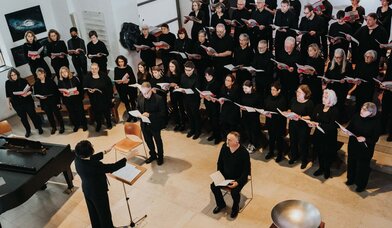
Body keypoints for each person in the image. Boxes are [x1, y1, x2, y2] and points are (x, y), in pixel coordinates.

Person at [74, 140, 126, 228]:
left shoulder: (77, 159)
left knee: (93, 213)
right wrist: (126, 159)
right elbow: (111, 167)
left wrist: (105, 151)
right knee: (104, 214)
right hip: (98, 192)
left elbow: (89, 158)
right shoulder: (94, 166)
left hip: (87, 190)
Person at [210, 131, 251, 219]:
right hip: (225, 176)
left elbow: (246, 171)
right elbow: (219, 163)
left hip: (238, 178)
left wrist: (238, 182)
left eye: (229, 140)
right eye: (227, 139)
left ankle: (235, 208)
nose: (226, 141)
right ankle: (221, 204)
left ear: (236, 142)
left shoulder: (244, 153)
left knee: (235, 192)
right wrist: (219, 175)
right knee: (213, 186)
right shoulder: (224, 147)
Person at [346, 102, 380, 192]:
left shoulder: (376, 122)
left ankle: (361, 184)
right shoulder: (356, 116)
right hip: (353, 144)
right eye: (362, 108)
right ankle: (350, 179)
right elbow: (350, 127)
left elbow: (375, 139)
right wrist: (346, 130)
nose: (362, 111)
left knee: (363, 167)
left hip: (365, 148)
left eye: (365, 110)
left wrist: (365, 139)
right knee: (351, 162)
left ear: (371, 112)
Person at [309, 89, 339, 179]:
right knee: (319, 152)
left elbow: (333, 126)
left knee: (327, 154)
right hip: (318, 134)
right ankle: (321, 168)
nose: (323, 98)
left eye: (326, 97)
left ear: (331, 99)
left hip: (329, 136)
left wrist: (320, 124)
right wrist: (311, 122)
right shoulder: (319, 106)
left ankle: (327, 170)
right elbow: (313, 117)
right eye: (323, 96)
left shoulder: (335, 110)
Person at [5, 68, 43, 137]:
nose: (14, 76)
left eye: (15, 74)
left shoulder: (23, 80)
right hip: (17, 104)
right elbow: (8, 95)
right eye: (12, 75)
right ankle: (28, 130)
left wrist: (26, 94)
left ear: (17, 74)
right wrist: (8, 104)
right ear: (10, 76)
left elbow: (30, 90)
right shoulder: (7, 83)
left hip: (27, 101)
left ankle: (39, 127)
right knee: (23, 118)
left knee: (33, 115)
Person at [284, 84, 314, 168]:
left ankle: (304, 160)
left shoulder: (309, 103)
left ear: (305, 93)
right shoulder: (293, 99)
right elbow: (290, 108)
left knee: (303, 143)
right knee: (293, 141)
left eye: (299, 92)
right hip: (293, 124)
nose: (297, 93)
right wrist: (288, 113)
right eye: (297, 91)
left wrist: (300, 117)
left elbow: (311, 116)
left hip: (303, 126)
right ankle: (294, 156)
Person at [137, 82, 166, 165]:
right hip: (144, 124)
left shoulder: (159, 99)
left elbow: (163, 113)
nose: (144, 95)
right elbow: (138, 107)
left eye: (146, 93)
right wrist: (138, 114)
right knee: (148, 141)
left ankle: (160, 157)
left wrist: (150, 115)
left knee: (158, 141)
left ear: (151, 90)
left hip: (155, 124)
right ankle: (153, 155)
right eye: (143, 92)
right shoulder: (140, 97)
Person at [325, 48, 353, 123]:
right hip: (331, 87)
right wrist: (327, 79)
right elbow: (327, 75)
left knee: (339, 105)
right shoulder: (331, 63)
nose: (337, 59)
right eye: (335, 57)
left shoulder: (348, 65)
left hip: (342, 88)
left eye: (339, 57)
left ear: (343, 57)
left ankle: (337, 120)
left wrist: (345, 80)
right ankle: (330, 119)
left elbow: (351, 77)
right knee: (330, 103)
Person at [84, 63, 114, 132]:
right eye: (92, 68)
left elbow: (110, 86)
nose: (94, 70)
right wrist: (89, 90)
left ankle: (109, 123)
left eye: (95, 68)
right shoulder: (87, 77)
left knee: (106, 112)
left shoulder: (104, 76)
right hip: (94, 98)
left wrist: (111, 97)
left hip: (104, 97)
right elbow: (84, 86)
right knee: (97, 113)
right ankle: (99, 124)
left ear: (98, 68)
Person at [34, 68, 64, 134]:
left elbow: (57, 92)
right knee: (49, 115)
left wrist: (58, 102)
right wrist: (40, 97)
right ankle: (53, 127)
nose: (40, 75)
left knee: (57, 114)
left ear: (44, 73)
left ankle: (62, 126)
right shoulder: (36, 83)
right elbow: (36, 94)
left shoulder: (50, 81)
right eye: (38, 74)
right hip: (44, 102)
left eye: (41, 74)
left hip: (53, 101)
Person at [58, 66, 88, 132]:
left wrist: (79, 92)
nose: (64, 73)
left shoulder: (74, 78)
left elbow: (80, 88)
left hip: (76, 98)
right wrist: (63, 94)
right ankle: (76, 125)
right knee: (72, 113)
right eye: (62, 72)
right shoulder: (60, 81)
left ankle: (84, 124)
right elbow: (59, 91)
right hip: (68, 100)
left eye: (65, 71)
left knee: (80, 112)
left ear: (68, 71)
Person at [264, 81, 287, 162]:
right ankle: (271, 152)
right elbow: (266, 106)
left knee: (279, 139)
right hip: (270, 121)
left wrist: (271, 113)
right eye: (271, 89)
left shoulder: (282, 100)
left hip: (279, 123)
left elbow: (282, 112)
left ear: (279, 90)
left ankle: (280, 154)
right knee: (271, 138)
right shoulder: (268, 97)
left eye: (274, 90)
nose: (272, 91)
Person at [179, 61, 202, 139]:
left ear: (193, 69)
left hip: (194, 99)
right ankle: (192, 129)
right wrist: (179, 88)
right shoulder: (183, 76)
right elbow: (181, 85)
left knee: (195, 115)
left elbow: (197, 90)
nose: (187, 72)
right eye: (185, 70)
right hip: (185, 99)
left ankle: (198, 131)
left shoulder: (197, 77)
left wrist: (188, 91)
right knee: (189, 115)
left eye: (189, 70)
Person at [240, 80, 263, 153]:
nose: (244, 90)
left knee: (254, 131)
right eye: (243, 88)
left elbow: (260, 107)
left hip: (254, 117)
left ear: (251, 87)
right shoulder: (243, 94)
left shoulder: (256, 96)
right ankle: (250, 142)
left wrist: (252, 109)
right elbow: (242, 103)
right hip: (245, 116)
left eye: (246, 88)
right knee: (248, 130)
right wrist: (242, 107)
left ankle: (255, 144)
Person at [276, 36, 301, 101]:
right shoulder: (281, 53)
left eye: (288, 46)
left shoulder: (298, 54)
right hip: (283, 78)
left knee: (292, 96)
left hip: (293, 79)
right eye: (285, 46)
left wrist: (294, 69)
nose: (286, 48)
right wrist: (278, 66)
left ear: (293, 46)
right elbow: (278, 63)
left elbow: (300, 67)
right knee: (283, 96)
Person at [114, 55, 137, 122]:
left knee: (132, 101)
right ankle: (130, 115)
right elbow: (116, 79)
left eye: (122, 61)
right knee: (126, 103)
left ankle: (135, 115)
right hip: (122, 88)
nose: (121, 63)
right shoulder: (116, 69)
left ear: (124, 61)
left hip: (130, 87)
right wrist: (119, 82)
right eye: (119, 62)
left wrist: (128, 80)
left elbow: (133, 78)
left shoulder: (128, 68)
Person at [202, 68, 221, 144]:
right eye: (206, 75)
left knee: (215, 120)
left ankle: (218, 136)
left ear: (212, 75)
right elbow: (203, 91)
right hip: (207, 103)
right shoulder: (205, 82)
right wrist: (203, 95)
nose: (207, 77)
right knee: (210, 119)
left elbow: (219, 95)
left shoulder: (217, 83)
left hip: (214, 104)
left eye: (208, 76)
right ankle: (213, 134)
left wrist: (212, 97)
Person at [167, 60, 186, 131]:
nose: (171, 68)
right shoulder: (169, 74)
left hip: (180, 94)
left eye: (172, 66)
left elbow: (183, 83)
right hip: (172, 93)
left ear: (176, 67)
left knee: (181, 108)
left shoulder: (180, 74)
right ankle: (177, 123)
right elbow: (168, 82)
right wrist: (169, 85)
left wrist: (177, 86)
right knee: (175, 108)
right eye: (170, 66)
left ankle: (183, 123)